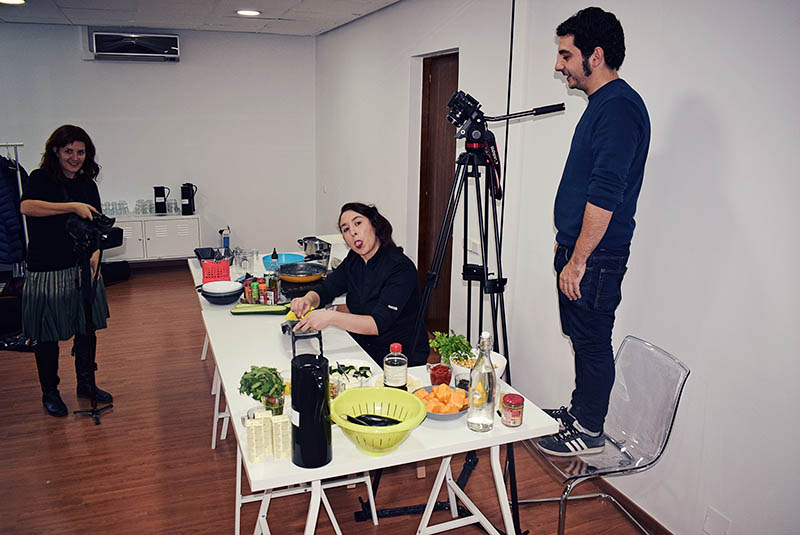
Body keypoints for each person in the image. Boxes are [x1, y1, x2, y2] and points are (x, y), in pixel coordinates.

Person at [536, 7, 651, 456]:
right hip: (581, 251)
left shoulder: (619, 108)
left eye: (566, 54)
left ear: (595, 55)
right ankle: (581, 411)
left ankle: (588, 429)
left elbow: (606, 193)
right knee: (583, 340)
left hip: (596, 258)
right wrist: (567, 245)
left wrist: (579, 258)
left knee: (592, 340)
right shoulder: (603, 105)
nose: (559, 65)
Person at [20, 125, 113, 417]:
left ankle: (86, 382)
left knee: (86, 330)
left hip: (82, 268)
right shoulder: (40, 179)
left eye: (81, 152)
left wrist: (97, 252)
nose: (75, 157)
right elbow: (27, 207)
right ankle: (50, 392)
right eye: (69, 151)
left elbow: (96, 225)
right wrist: (71, 207)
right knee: (47, 336)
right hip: (47, 268)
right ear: (56, 151)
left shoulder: (88, 185)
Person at [290, 202, 429, 367]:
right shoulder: (355, 259)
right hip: (362, 344)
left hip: (397, 355)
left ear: (374, 224)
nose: (353, 232)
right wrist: (307, 299)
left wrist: (331, 317)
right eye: (346, 229)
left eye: (358, 223)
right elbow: (328, 288)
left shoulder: (400, 268)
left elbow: (378, 324)